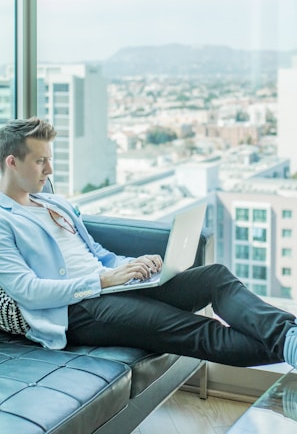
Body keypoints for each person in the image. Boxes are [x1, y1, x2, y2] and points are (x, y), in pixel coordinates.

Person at [0, 118, 296, 369]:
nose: (49, 170)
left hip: (111, 286)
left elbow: (97, 253)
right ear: (12, 162)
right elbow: (28, 291)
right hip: (76, 308)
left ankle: (289, 337)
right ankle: (289, 343)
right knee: (195, 330)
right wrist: (103, 281)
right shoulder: (4, 220)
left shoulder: (52, 202)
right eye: (41, 161)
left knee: (215, 277)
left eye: (50, 159)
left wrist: (132, 265)